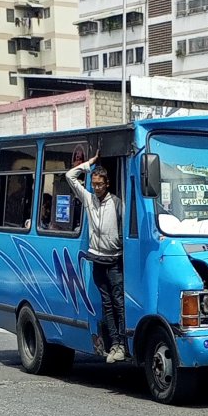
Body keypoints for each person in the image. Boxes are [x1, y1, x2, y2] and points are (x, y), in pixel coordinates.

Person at [65, 149, 125, 363]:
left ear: (107, 184)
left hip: (114, 260)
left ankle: (122, 344)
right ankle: (115, 344)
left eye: (100, 184)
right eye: (94, 184)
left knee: (119, 303)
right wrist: (88, 164)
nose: (96, 188)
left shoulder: (117, 203)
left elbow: (124, 231)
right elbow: (69, 176)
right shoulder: (89, 199)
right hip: (97, 261)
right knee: (107, 304)